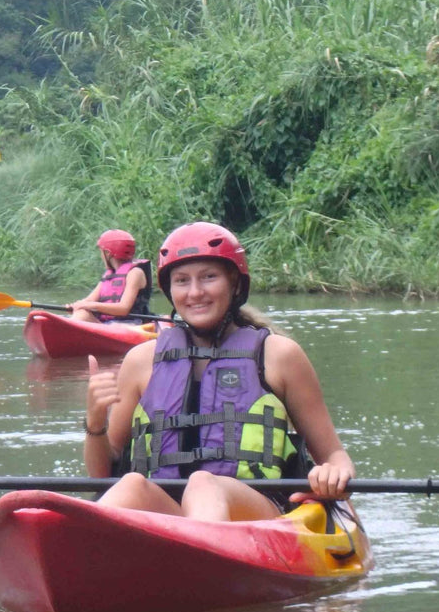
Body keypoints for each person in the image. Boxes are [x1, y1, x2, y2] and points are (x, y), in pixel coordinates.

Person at [83, 222, 354, 521]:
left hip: (257, 513)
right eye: (182, 281)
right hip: (168, 515)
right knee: (131, 484)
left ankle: (196, 555)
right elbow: (103, 475)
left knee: (204, 483)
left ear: (235, 283)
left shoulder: (279, 355)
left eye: (209, 277)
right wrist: (95, 424)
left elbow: (334, 456)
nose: (195, 292)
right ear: (170, 291)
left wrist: (333, 473)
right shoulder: (141, 361)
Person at [68, 229, 152, 324]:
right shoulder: (109, 275)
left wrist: (89, 305)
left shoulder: (135, 273)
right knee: (81, 312)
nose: (101, 256)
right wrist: (77, 305)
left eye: (102, 252)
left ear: (108, 253)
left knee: (82, 315)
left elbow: (123, 309)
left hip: (130, 324)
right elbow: (89, 300)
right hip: (109, 324)